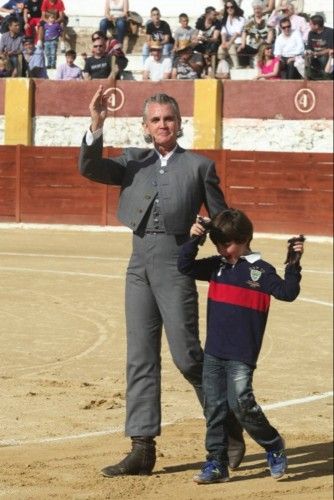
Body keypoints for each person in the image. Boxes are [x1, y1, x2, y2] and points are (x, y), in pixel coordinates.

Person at [78, 88, 246, 477]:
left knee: (187, 356)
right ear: (145, 126)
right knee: (139, 356)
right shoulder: (132, 161)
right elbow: (89, 168)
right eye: (155, 120)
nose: (163, 125)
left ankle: (226, 428)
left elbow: (223, 222)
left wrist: (220, 245)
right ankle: (142, 448)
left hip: (176, 264)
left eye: (168, 118)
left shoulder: (199, 166)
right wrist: (96, 125)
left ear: (179, 123)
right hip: (139, 264)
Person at [177, 209, 304, 484]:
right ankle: (216, 463)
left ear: (245, 239)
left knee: (242, 404)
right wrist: (195, 239)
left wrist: (293, 263)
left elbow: (288, 293)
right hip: (214, 351)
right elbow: (185, 266)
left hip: (241, 355)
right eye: (219, 244)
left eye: (228, 244)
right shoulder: (216, 266)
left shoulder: (260, 271)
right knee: (214, 408)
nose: (223, 250)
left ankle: (272, 444)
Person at [238, 0, 274, 67]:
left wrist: (267, 44)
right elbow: (244, 32)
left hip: (264, 45)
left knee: (264, 49)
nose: (257, 11)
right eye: (255, 9)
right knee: (242, 49)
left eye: (258, 8)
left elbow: (270, 31)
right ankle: (245, 67)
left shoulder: (267, 18)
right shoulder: (250, 19)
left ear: (262, 9)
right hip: (253, 46)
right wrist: (243, 44)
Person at [305, 15, 334, 81]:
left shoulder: (330, 32)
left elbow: (330, 49)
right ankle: (309, 79)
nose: (309, 25)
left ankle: (324, 78)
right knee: (305, 58)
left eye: (310, 24)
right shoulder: (311, 33)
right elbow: (309, 47)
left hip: (326, 56)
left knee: (323, 58)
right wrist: (309, 52)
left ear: (316, 26)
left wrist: (317, 53)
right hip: (314, 55)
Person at [220, 0, 246, 68]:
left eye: (232, 7)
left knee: (230, 47)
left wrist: (229, 43)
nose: (230, 9)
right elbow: (223, 32)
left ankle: (236, 65)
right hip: (228, 41)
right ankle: (223, 65)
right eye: (227, 7)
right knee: (221, 48)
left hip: (237, 41)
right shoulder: (224, 19)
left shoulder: (241, 19)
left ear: (235, 7)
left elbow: (237, 33)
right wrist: (223, 42)